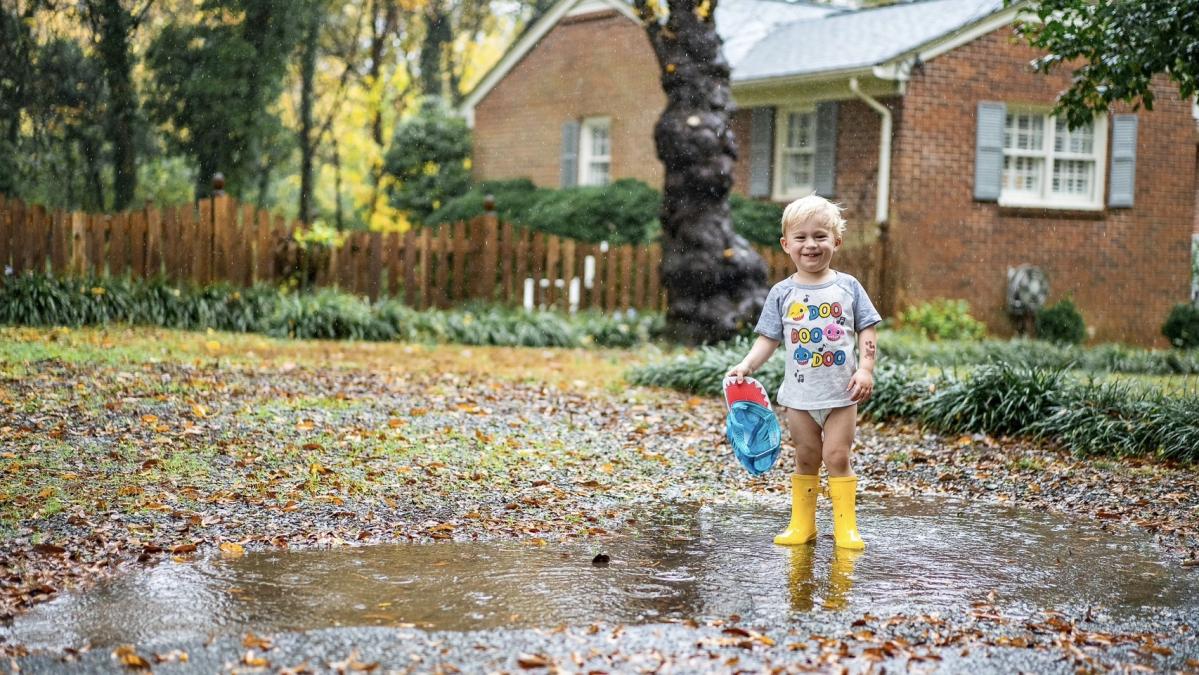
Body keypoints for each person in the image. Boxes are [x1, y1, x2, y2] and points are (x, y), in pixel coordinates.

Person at [726, 195, 881, 550]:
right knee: (806, 457)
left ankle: (846, 528)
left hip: (842, 394)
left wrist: (867, 370)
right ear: (786, 245)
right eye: (801, 237)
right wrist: (747, 366)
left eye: (820, 236)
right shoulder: (782, 293)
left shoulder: (849, 287)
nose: (811, 244)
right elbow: (768, 339)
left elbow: (867, 329)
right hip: (798, 396)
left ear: (836, 241)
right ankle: (803, 525)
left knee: (837, 456)